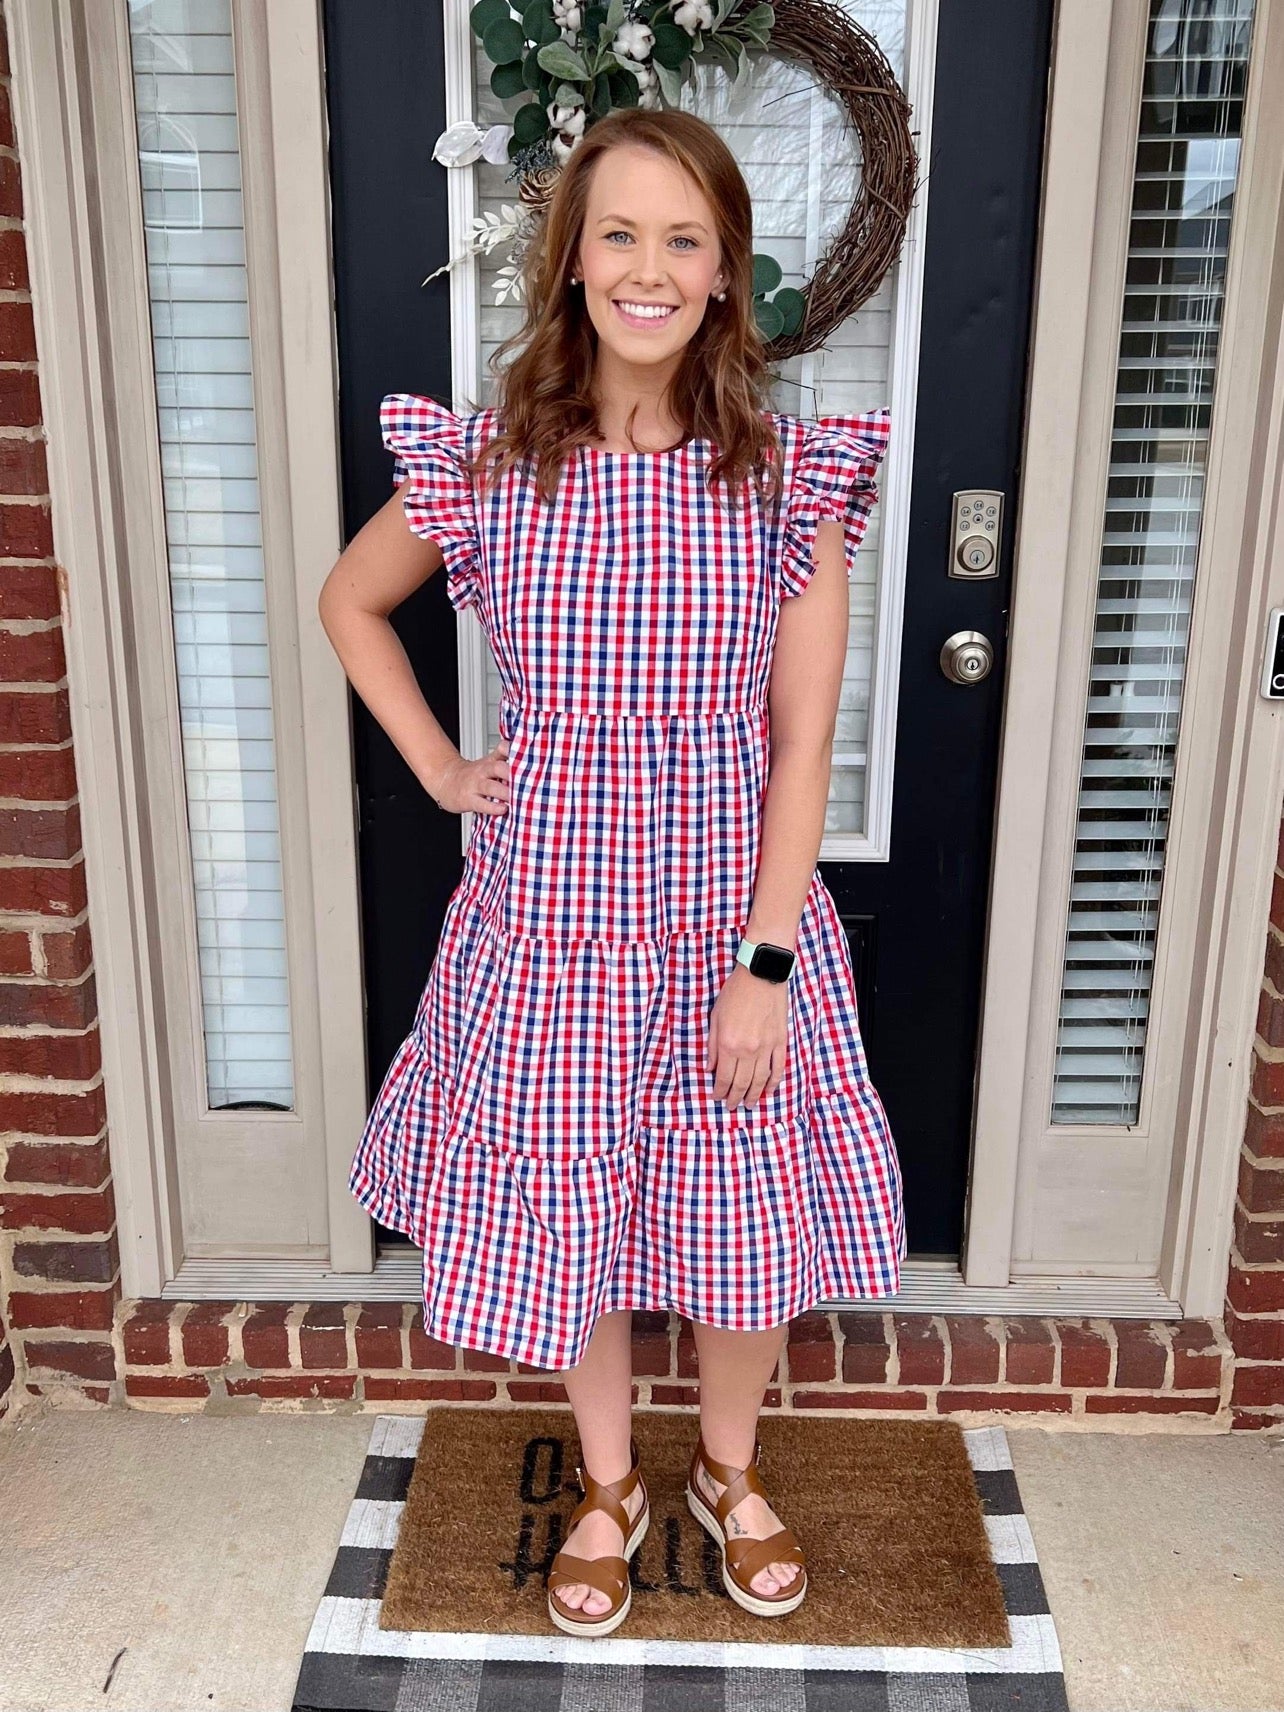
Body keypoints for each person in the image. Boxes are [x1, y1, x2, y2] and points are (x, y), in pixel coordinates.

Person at [318, 105, 906, 1639]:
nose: (650, 268)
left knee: (737, 1213)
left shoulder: (786, 477)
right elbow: (352, 603)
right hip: (550, 928)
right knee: (569, 1214)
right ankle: (603, 1485)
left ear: (726, 275)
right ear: (573, 260)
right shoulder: (494, 459)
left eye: (686, 241)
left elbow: (803, 747)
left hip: (728, 920)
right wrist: (446, 769)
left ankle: (725, 1469)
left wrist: (768, 960)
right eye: (621, 234)